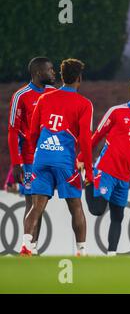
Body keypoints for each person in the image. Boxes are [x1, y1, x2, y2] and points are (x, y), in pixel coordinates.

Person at [21, 59, 93, 256]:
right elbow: (86, 141)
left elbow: (32, 133)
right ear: (79, 78)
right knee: (76, 207)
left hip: (41, 157)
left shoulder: (44, 98)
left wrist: (40, 151)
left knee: (37, 206)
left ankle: (26, 245)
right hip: (65, 162)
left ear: (62, 77)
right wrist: (90, 170)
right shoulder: (84, 104)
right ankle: (81, 250)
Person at [79, 77, 130, 256]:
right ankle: (88, 182)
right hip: (106, 169)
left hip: (124, 176)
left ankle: (111, 255)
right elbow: (96, 136)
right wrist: (81, 157)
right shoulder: (116, 112)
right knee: (98, 210)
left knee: (118, 217)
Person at [8, 57, 56, 254]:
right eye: (50, 70)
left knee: (40, 204)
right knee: (33, 203)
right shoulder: (21, 95)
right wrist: (16, 162)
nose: (54, 73)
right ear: (38, 73)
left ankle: (31, 247)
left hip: (50, 156)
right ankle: (28, 247)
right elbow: (12, 131)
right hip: (29, 158)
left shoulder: (54, 93)